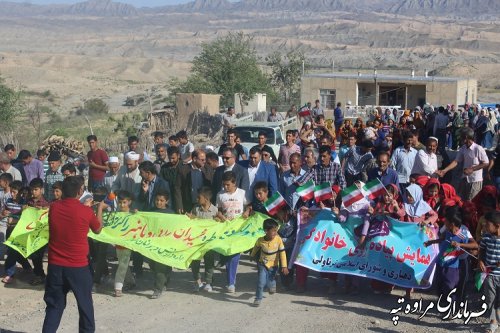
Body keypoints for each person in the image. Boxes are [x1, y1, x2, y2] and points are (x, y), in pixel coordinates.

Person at [42, 176, 103, 333]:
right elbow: (97, 229)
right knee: (85, 307)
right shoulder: (86, 211)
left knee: (54, 306)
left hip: (56, 266)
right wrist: (100, 209)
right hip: (78, 267)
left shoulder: (54, 207)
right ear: (80, 191)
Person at [424, 206, 477, 298]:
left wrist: (460, 245)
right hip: (441, 262)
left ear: (452, 223)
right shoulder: (448, 230)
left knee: (450, 285)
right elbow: (443, 238)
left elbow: (475, 245)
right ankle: (442, 303)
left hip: (453, 265)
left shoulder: (463, 232)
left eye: (446, 221)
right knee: (439, 285)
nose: (444, 222)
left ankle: (453, 304)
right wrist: (431, 242)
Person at [215, 171, 250, 293]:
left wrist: (247, 212)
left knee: (235, 255)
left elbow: (249, 205)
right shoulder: (220, 195)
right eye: (224, 184)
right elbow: (217, 210)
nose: (225, 187)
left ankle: (231, 283)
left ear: (234, 183)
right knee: (227, 254)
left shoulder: (242, 193)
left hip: (238, 228)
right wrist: (221, 216)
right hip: (226, 229)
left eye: (228, 185)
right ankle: (229, 278)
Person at [436, 127, 489, 200]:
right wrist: (444, 170)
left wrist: (472, 169)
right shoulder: (463, 148)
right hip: (465, 179)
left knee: (471, 202)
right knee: (462, 200)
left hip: (475, 180)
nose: (459, 138)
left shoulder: (478, 148)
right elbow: (456, 161)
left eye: (461, 136)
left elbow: (486, 163)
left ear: (466, 137)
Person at [250, 218, 288, 307]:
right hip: (262, 264)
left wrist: (284, 266)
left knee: (271, 280)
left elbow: (282, 253)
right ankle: (258, 298)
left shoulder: (278, 240)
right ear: (266, 231)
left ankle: (272, 285)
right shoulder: (260, 240)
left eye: (276, 230)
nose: (275, 233)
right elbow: (256, 248)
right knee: (261, 282)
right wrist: (252, 255)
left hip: (274, 265)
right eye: (273, 231)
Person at [188, 187, 218, 292]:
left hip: (209, 243)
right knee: (195, 262)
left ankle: (208, 283)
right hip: (197, 242)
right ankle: (198, 281)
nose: (197, 199)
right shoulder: (196, 209)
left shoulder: (215, 211)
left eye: (198, 197)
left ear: (206, 198)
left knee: (209, 263)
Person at [109, 190, 136, 297]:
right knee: (123, 264)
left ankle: (118, 287)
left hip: (128, 244)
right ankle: (131, 281)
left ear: (129, 202)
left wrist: (136, 214)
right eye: (120, 202)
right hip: (118, 244)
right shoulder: (116, 214)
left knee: (122, 265)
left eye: (124, 202)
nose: (122, 205)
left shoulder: (133, 214)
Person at [150, 190, 174, 299]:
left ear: (167, 201)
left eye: (161, 201)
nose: (159, 203)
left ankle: (158, 289)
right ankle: (165, 279)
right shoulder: (151, 211)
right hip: (153, 243)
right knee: (152, 264)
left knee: (160, 266)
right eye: (157, 200)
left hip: (165, 243)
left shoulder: (171, 214)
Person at [478, 211, 500, 333]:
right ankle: (493, 323)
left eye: (487, 225)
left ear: (497, 226)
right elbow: (482, 250)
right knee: (491, 299)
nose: (485, 227)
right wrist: (480, 261)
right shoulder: (486, 237)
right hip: (490, 274)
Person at [26, 178, 51, 285]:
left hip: (43, 234)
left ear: (41, 189)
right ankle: (39, 274)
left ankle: (41, 275)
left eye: (36, 189)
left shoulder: (46, 203)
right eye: (32, 190)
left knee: (39, 255)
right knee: (34, 255)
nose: (33, 192)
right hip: (32, 233)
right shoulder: (29, 202)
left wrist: (43, 209)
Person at [174, 149, 211, 214]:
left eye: (205, 159)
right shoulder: (183, 170)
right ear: (194, 159)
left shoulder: (207, 169)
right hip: (188, 204)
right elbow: (177, 188)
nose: (204, 161)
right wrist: (179, 205)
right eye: (202, 160)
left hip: (203, 205)